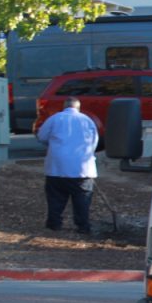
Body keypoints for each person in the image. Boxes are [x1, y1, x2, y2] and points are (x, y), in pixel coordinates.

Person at [35, 96, 99, 233]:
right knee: (82, 199)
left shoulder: (55, 119)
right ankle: (83, 226)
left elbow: (41, 136)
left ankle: (54, 224)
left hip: (57, 167)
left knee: (55, 198)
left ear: (64, 107)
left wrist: (52, 144)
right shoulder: (87, 121)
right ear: (78, 107)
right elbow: (94, 141)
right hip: (82, 168)